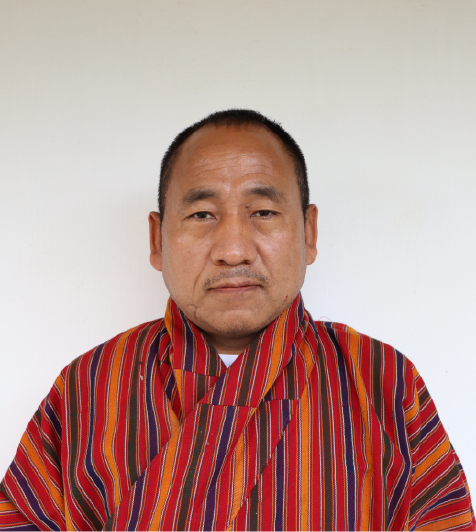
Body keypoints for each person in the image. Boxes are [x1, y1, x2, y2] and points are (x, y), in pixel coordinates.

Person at [0, 109, 473, 532]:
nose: (233, 250)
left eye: (263, 212)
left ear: (308, 232)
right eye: (202, 214)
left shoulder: (384, 381)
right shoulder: (88, 387)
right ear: (157, 240)